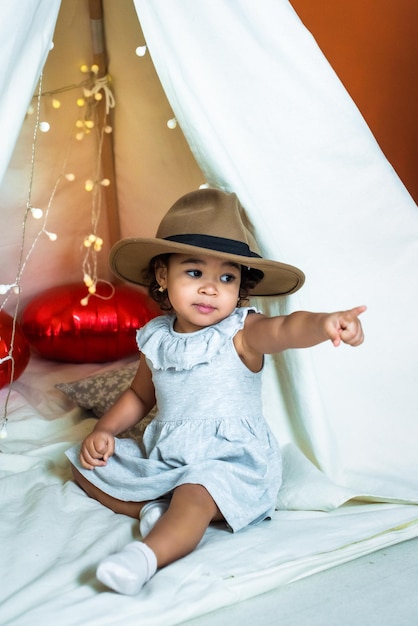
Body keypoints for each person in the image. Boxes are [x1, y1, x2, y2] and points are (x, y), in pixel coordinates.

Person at [66, 188, 366, 595]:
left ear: (241, 286)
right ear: (162, 276)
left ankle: (144, 558)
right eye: (194, 273)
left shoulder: (242, 331)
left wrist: (325, 323)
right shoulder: (157, 338)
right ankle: (160, 508)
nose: (211, 289)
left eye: (226, 277)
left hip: (229, 460)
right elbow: (140, 396)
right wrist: (104, 431)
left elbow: (286, 327)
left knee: (197, 491)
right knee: (83, 464)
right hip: (171, 456)